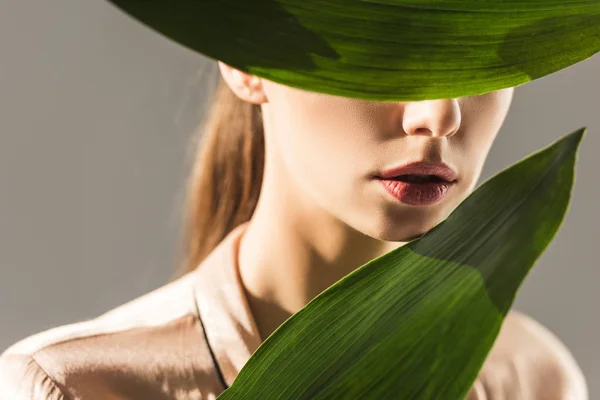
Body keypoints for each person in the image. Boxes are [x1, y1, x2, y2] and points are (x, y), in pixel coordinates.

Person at [0, 61, 588, 399]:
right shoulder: (76, 389)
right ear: (245, 62)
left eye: (482, 56)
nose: (439, 114)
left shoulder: (528, 379)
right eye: (378, 47)